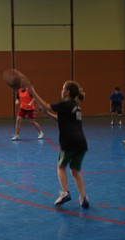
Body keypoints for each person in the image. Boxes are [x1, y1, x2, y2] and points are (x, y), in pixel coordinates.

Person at [27, 80, 89, 208]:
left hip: (69, 142)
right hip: (81, 143)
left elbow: (46, 105)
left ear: (67, 92)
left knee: (61, 167)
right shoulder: (76, 106)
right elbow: (60, 120)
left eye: (62, 89)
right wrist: (47, 114)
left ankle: (65, 192)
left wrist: (33, 92)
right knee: (75, 171)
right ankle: (83, 198)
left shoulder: (65, 104)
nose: (61, 91)